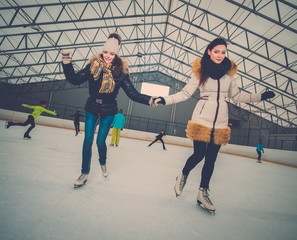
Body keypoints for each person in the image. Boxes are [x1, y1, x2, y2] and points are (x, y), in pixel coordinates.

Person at [154, 38, 275, 212]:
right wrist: (165, 99)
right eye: (216, 51)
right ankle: (183, 174)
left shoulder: (228, 75)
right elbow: (185, 93)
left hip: (221, 123)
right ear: (209, 51)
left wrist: (260, 97)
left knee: (211, 159)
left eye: (223, 52)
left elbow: (238, 97)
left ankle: (202, 193)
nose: (220, 55)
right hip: (202, 119)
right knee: (199, 154)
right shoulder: (200, 72)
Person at [61, 33, 155, 187]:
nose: (108, 56)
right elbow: (75, 79)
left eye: (112, 53)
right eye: (105, 52)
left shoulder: (121, 73)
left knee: (100, 142)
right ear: (101, 51)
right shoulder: (93, 66)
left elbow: (132, 94)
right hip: (92, 107)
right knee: (87, 140)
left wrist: (149, 99)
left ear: (116, 54)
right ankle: (84, 173)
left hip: (109, 111)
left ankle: (103, 163)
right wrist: (66, 61)